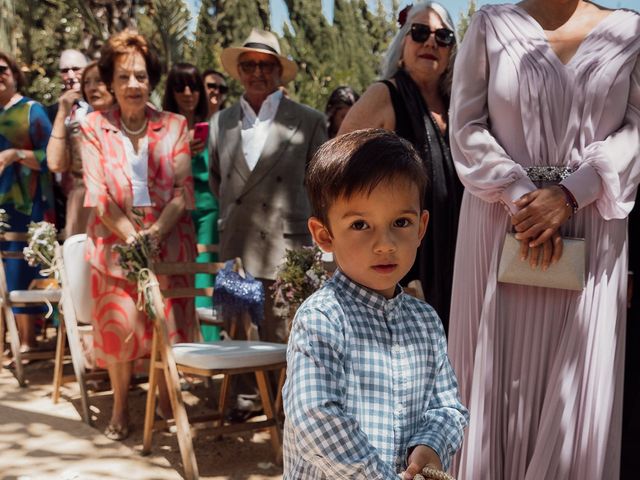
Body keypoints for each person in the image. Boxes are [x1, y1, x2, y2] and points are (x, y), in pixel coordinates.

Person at [448, 1, 640, 478]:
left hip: (592, 231)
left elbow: (638, 130)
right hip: (501, 228)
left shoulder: (631, 32)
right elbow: (466, 126)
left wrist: (573, 194)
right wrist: (521, 197)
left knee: (577, 407)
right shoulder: (490, 25)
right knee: (490, 391)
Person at [283, 129, 468, 479]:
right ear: (325, 235)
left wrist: (430, 446)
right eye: (360, 225)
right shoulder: (322, 318)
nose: (385, 244)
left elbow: (447, 406)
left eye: (400, 222)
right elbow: (315, 415)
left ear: (421, 226)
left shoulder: (425, 320)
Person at [80, 30, 198, 441]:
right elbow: (97, 194)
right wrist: (133, 236)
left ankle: (167, 402)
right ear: (110, 81)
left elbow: (184, 191)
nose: (134, 85)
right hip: (115, 243)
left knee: (167, 323)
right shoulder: (93, 126)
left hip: (168, 241)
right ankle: (120, 407)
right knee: (121, 328)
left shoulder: (174, 125)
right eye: (124, 77)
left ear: (152, 81)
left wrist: (155, 233)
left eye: (142, 77)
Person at [209, 28, 327, 420]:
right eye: (249, 65)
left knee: (284, 331)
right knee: (238, 326)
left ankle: (286, 408)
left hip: (286, 244)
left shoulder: (309, 121)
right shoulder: (220, 123)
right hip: (238, 243)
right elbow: (216, 179)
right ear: (238, 71)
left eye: (266, 65)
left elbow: (322, 183)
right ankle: (243, 399)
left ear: (279, 71)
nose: (257, 72)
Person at [338, 2, 462, 331]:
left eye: (443, 36)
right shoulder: (385, 94)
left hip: (457, 254)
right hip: (402, 259)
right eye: (419, 33)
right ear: (402, 44)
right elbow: (337, 168)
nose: (431, 43)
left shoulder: (460, 106)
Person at [0, 51, 54, 351]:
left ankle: (27, 341)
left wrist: (17, 154)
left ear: (15, 73)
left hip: (24, 205)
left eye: (2, 69)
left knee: (19, 269)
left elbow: (52, 158)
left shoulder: (32, 111)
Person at [162, 63, 219, 339]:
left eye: (194, 87)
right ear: (170, 91)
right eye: (180, 87)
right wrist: (179, 148)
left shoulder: (213, 125)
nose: (188, 93)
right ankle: (178, 344)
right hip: (173, 211)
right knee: (177, 276)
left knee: (205, 276)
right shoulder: (161, 128)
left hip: (207, 208)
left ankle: (207, 345)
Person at [47, 61, 114, 237]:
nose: (91, 88)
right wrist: (62, 112)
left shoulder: (131, 122)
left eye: (98, 81)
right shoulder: (79, 125)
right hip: (82, 206)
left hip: (119, 203)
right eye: (87, 83)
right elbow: (55, 163)